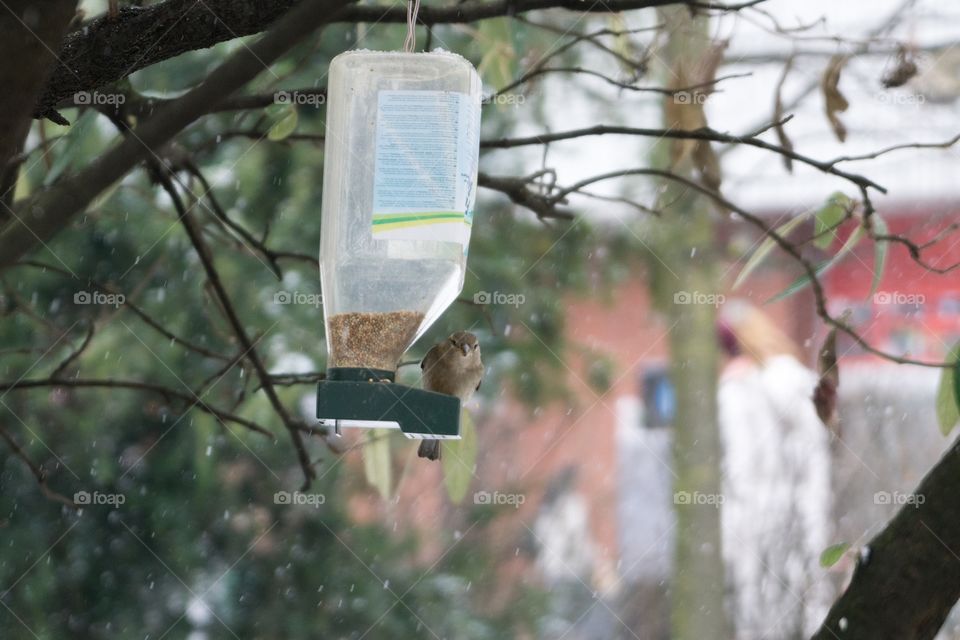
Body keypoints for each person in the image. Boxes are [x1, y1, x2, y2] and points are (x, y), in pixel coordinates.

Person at [717, 301, 833, 639]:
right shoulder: (795, 377)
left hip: (761, 515)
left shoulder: (740, 390)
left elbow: (738, 465)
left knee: (761, 612)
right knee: (804, 599)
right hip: (803, 510)